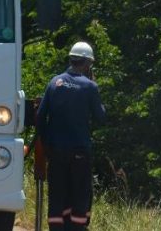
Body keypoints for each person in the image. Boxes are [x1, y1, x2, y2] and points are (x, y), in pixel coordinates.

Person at [35, 41, 107, 231]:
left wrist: (47, 145)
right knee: (80, 195)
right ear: (87, 63)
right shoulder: (90, 87)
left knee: (58, 194)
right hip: (80, 152)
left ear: (71, 60)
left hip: (56, 151)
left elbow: (40, 118)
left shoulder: (54, 83)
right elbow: (101, 117)